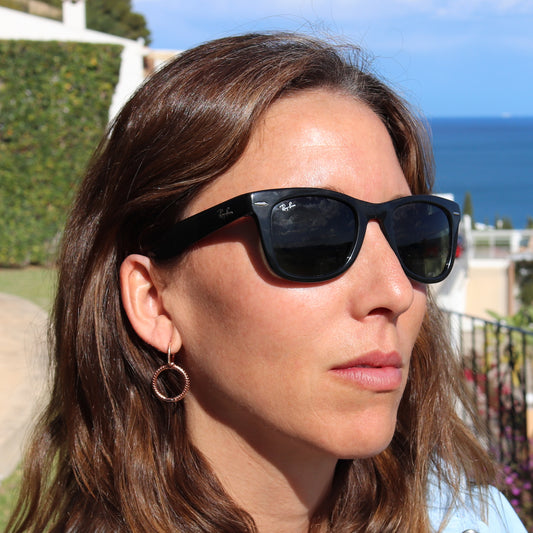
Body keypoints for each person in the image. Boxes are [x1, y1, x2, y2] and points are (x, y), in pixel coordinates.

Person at [6, 32, 527, 533]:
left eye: (412, 232)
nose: (395, 292)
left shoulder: (476, 520)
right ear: (155, 302)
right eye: (311, 234)